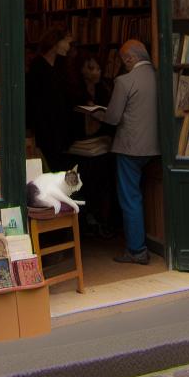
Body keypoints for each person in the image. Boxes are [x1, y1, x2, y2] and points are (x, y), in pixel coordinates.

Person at [88, 39, 159, 264]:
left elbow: (113, 117)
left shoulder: (125, 81)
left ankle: (137, 250)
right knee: (145, 194)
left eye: (123, 60)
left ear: (130, 58)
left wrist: (97, 114)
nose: (123, 64)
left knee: (130, 198)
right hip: (154, 147)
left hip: (130, 147)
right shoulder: (160, 76)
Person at [66, 53, 115, 238]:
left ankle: (101, 219)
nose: (95, 72)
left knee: (103, 180)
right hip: (80, 145)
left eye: (98, 68)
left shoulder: (105, 89)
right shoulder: (75, 91)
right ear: (81, 70)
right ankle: (85, 220)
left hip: (101, 143)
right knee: (80, 183)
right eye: (91, 68)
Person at [25, 26, 73, 171]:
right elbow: (34, 102)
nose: (69, 47)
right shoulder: (38, 68)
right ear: (55, 43)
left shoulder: (59, 66)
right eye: (67, 42)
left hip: (58, 129)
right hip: (45, 129)